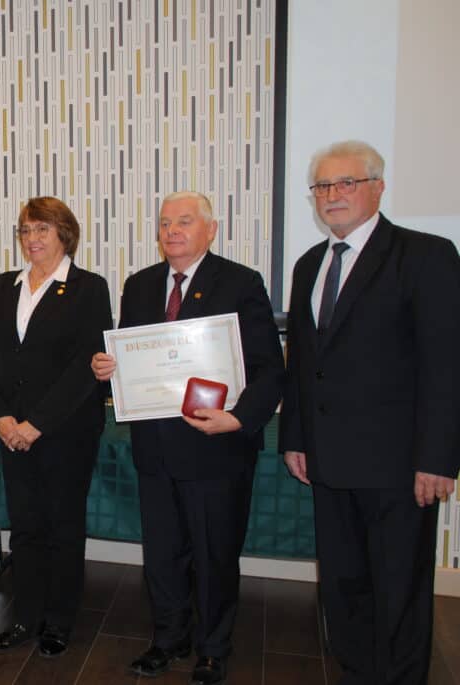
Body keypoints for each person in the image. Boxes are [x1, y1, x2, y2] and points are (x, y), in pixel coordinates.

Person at [280, 141, 460, 685]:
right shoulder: (309, 265)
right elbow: (303, 363)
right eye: (322, 186)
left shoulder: (426, 255)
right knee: (344, 586)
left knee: (400, 590)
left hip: (398, 466)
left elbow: (445, 363)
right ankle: (357, 673)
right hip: (328, 462)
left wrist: (438, 458)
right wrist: (295, 438)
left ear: (378, 188)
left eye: (346, 183)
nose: (332, 195)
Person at [91, 191, 284, 685]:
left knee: (214, 555)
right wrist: (108, 369)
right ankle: (168, 638)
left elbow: (269, 368)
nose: (172, 231)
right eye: (164, 223)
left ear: (210, 229)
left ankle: (213, 649)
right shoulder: (139, 285)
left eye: (184, 221)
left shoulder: (241, 283)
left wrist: (239, 419)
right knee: (162, 554)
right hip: (155, 449)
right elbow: (132, 364)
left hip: (217, 447)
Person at [0, 197, 112, 658]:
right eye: (25, 230)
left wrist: (35, 424)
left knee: (62, 528)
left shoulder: (89, 288)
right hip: (9, 430)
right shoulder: (4, 285)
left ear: (64, 234)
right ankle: (27, 617)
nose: (31, 239)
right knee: (25, 528)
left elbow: (84, 367)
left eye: (42, 229)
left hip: (65, 431)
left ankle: (58, 621)